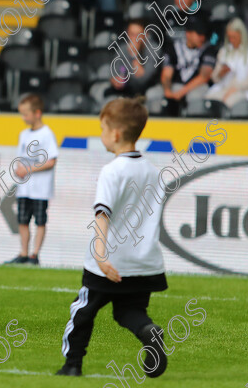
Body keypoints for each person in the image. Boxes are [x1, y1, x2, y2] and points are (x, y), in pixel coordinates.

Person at [56, 97, 168, 378]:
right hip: (144, 263)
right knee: (129, 311)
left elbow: (102, 215)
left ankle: (72, 366)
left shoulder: (112, 170)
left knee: (82, 312)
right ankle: (149, 332)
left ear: (115, 133)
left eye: (103, 128)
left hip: (109, 262)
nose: (101, 135)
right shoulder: (153, 171)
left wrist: (101, 255)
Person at [5, 93, 58, 265]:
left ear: (37, 113)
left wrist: (29, 168)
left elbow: (51, 161)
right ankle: (24, 253)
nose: (23, 117)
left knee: (40, 221)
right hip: (25, 187)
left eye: (26, 114)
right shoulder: (24, 134)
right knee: (22, 220)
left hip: (40, 189)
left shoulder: (47, 134)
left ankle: (35, 254)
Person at [205, 18, 248, 108]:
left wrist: (236, 88)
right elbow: (214, 78)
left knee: (230, 102)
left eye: (234, 37)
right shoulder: (223, 52)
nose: (232, 40)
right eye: (229, 37)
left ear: (242, 35)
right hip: (223, 88)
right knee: (208, 102)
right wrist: (222, 72)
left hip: (244, 90)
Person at [158, 17, 217, 107]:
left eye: (203, 34)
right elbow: (166, 74)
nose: (202, 37)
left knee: (194, 97)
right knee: (153, 94)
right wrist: (167, 91)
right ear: (188, 34)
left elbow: (204, 76)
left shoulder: (208, 49)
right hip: (176, 85)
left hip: (197, 87)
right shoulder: (174, 47)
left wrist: (181, 92)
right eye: (198, 34)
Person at [107, 20, 160, 97]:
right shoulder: (123, 49)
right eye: (132, 34)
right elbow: (115, 73)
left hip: (148, 88)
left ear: (146, 35)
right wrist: (116, 80)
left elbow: (142, 80)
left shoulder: (154, 49)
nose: (135, 38)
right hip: (127, 88)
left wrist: (134, 54)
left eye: (138, 35)